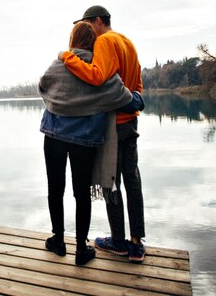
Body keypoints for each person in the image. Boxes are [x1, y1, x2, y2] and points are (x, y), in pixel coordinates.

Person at [38, 21, 143, 266]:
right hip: (84, 141)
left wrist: (61, 104)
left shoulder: (59, 64)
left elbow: (43, 86)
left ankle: (58, 240)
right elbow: (125, 99)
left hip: (53, 135)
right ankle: (81, 249)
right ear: (93, 42)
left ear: (72, 40)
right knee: (81, 194)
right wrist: (139, 100)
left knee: (55, 189)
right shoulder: (100, 72)